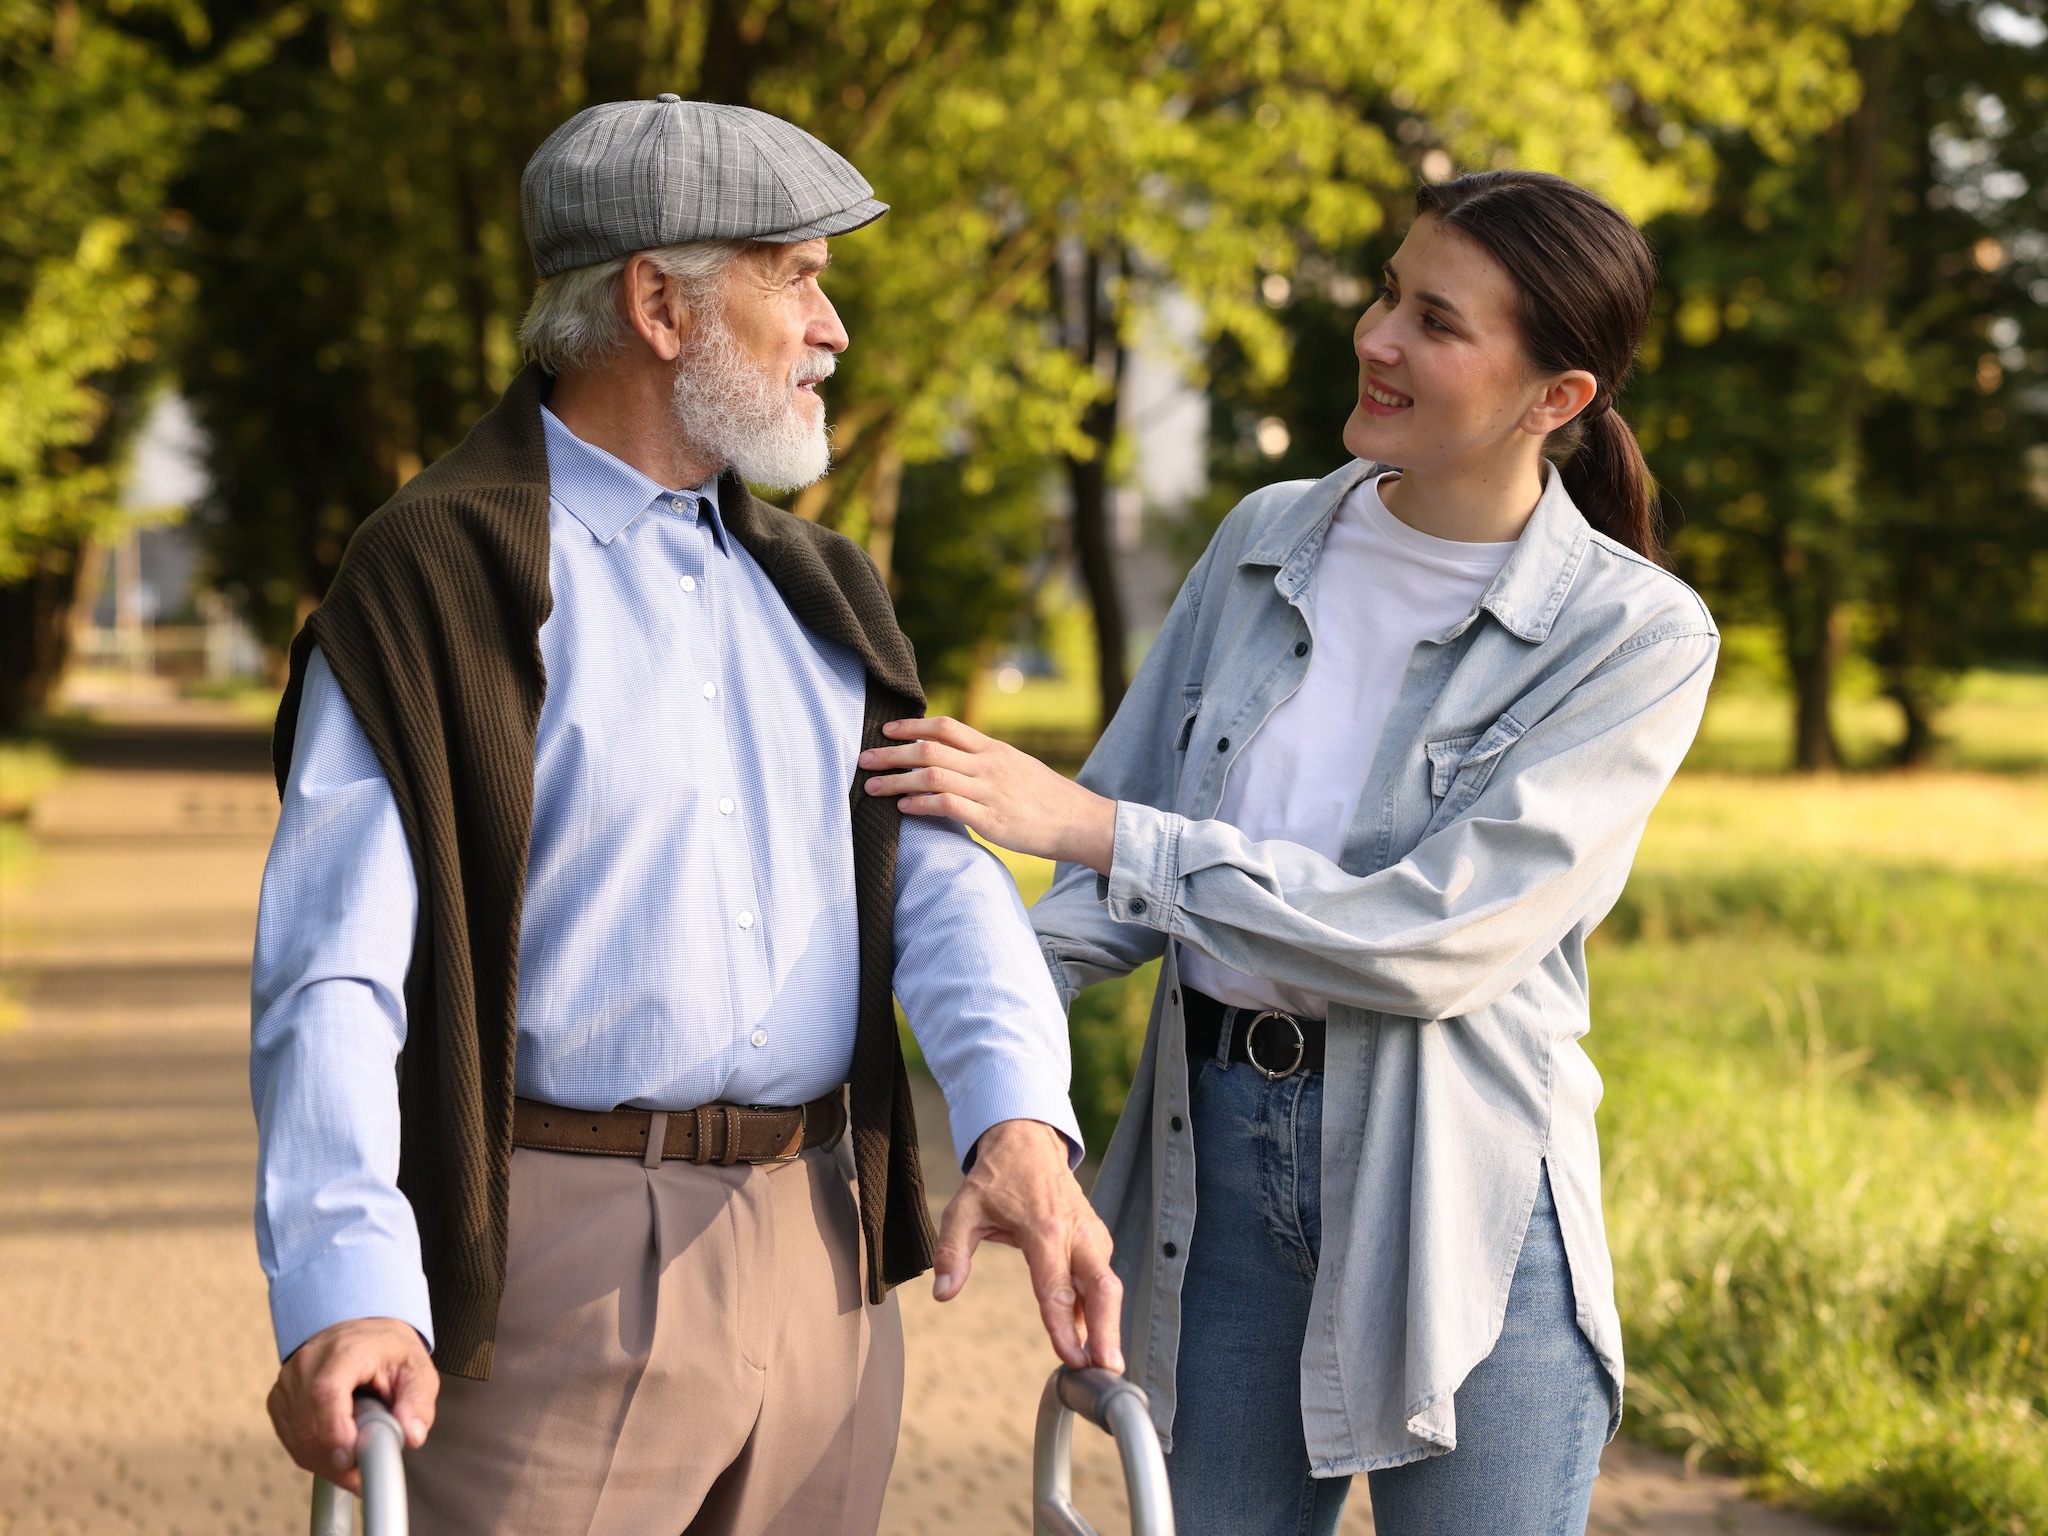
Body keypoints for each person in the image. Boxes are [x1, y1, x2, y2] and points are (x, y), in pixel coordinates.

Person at [250, 96, 1119, 1536]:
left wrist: (1018, 1116)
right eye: (797, 275)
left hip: (823, 1255)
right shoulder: (435, 577)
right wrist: (345, 1290)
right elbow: (333, 972)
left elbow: (942, 884)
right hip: (556, 1261)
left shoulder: (823, 588)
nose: (832, 327)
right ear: (658, 304)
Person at [860, 169, 1720, 1535]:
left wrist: (1095, 826)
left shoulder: (1634, 637)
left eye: (1436, 322)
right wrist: (939, 1029)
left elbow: (1433, 939)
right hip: (1211, 1181)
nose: (1377, 335)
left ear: (1553, 398)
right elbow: (1106, 902)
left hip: (1463, 1206)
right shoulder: (1268, 539)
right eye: (1389, 290)